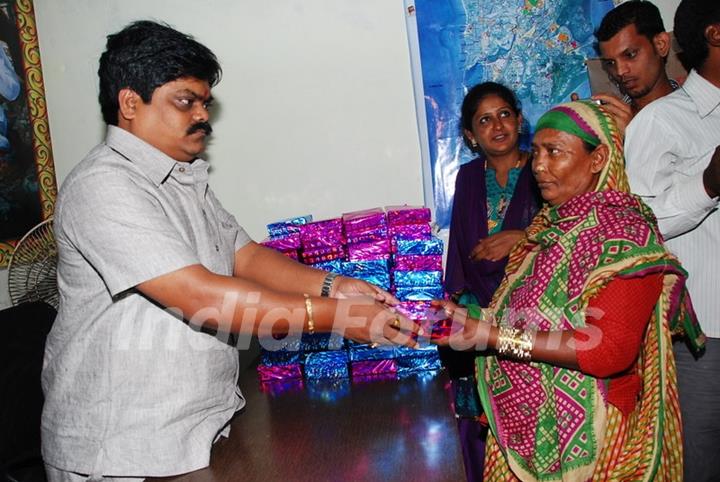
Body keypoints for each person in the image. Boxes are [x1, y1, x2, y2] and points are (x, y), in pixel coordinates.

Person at [41, 21, 419, 481]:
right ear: (130, 103)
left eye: (205, 103)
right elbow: (203, 298)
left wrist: (335, 286)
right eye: (186, 101)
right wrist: (339, 318)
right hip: (124, 445)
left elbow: (247, 257)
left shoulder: (184, 177)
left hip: (196, 430)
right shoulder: (104, 186)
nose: (201, 115)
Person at [436, 100, 703, 481]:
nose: (539, 165)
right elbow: (529, 316)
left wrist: (493, 336)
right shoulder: (547, 230)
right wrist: (467, 318)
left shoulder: (625, 235)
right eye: (539, 151)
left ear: (598, 160)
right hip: (529, 426)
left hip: (599, 441)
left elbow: (607, 351)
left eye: (554, 152)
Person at [624, 0, 720, 480]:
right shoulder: (659, 122)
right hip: (706, 337)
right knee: (699, 464)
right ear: (715, 34)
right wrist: (708, 183)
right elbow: (641, 228)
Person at [443, 81, 540, 481]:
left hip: (534, 314)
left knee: (531, 419)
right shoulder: (467, 177)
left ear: (519, 119)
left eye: (504, 114)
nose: (497, 126)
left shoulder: (543, 167)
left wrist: (523, 238)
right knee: (478, 418)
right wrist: (459, 310)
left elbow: (570, 234)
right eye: (484, 120)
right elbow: (460, 248)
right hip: (477, 313)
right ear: (470, 134)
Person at [591, 0, 678, 134]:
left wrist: (635, 135)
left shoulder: (697, 110)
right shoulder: (608, 122)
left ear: (661, 45)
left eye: (630, 55)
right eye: (610, 63)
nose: (620, 71)